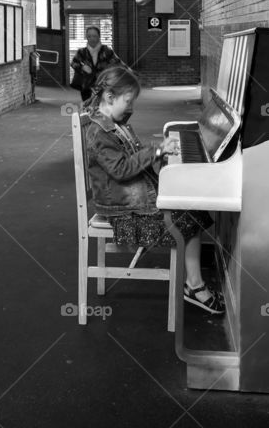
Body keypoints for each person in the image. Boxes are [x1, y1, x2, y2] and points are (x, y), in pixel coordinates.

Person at [84, 66, 226, 314]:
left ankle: (193, 279)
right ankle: (194, 285)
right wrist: (156, 152)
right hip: (123, 215)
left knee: (192, 209)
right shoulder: (99, 132)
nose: (131, 109)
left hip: (131, 201)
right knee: (189, 216)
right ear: (109, 98)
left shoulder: (115, 124)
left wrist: (160, 152)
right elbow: (121, 170)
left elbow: (134, 157)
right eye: (128, 102)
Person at [70, 26, 123, 102]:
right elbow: (73, 63)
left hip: (103, 86)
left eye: (94, 36)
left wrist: (130, 72)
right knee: (88, 108)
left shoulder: (107, 51)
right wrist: (82, 67)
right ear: (86, 37)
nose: (92, 38)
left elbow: (118, 63)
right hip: (86, 86)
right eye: (89, 36)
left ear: (99, 36)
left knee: (103, 108)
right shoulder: (82, 52)